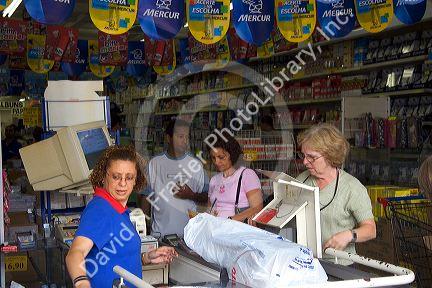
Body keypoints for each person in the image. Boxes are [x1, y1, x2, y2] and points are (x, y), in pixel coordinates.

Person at [66, 146, 177, 288]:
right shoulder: (100, 209)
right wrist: (82, 283)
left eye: (129, 177)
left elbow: (114, 257)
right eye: (116, 177)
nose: (123, 184)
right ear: (104, 176)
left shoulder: (119, 211)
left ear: (136, 180)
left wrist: (146, 258)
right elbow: (75, 253)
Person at [296, 123, 376, 265]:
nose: (304, 162)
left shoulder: (352, 188)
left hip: (339, 265)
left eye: (311, 157)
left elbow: (370, 229)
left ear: (330, 155)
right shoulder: (301, 180)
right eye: (303, 155)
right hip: (304, 261)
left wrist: (349, 235)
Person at [142, 119, 208, 237]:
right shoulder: (154, 163)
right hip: (160, 235)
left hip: (189, 236)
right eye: (180, 136)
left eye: (187, 137)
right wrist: (144, 227)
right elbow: (145, 196)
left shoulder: (196, 165)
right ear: (169, 138)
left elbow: (208, 198)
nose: (185, 141)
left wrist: (191, 195)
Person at [207, 132, 263, 222]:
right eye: (213, 158)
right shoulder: (214, 180)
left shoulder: (247, 175)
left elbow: (257, 207)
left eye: (221, 157)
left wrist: (229, 221)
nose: (216, 162)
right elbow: (210, 208)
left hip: (237, 231)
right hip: (216, 230)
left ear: (232, 154)